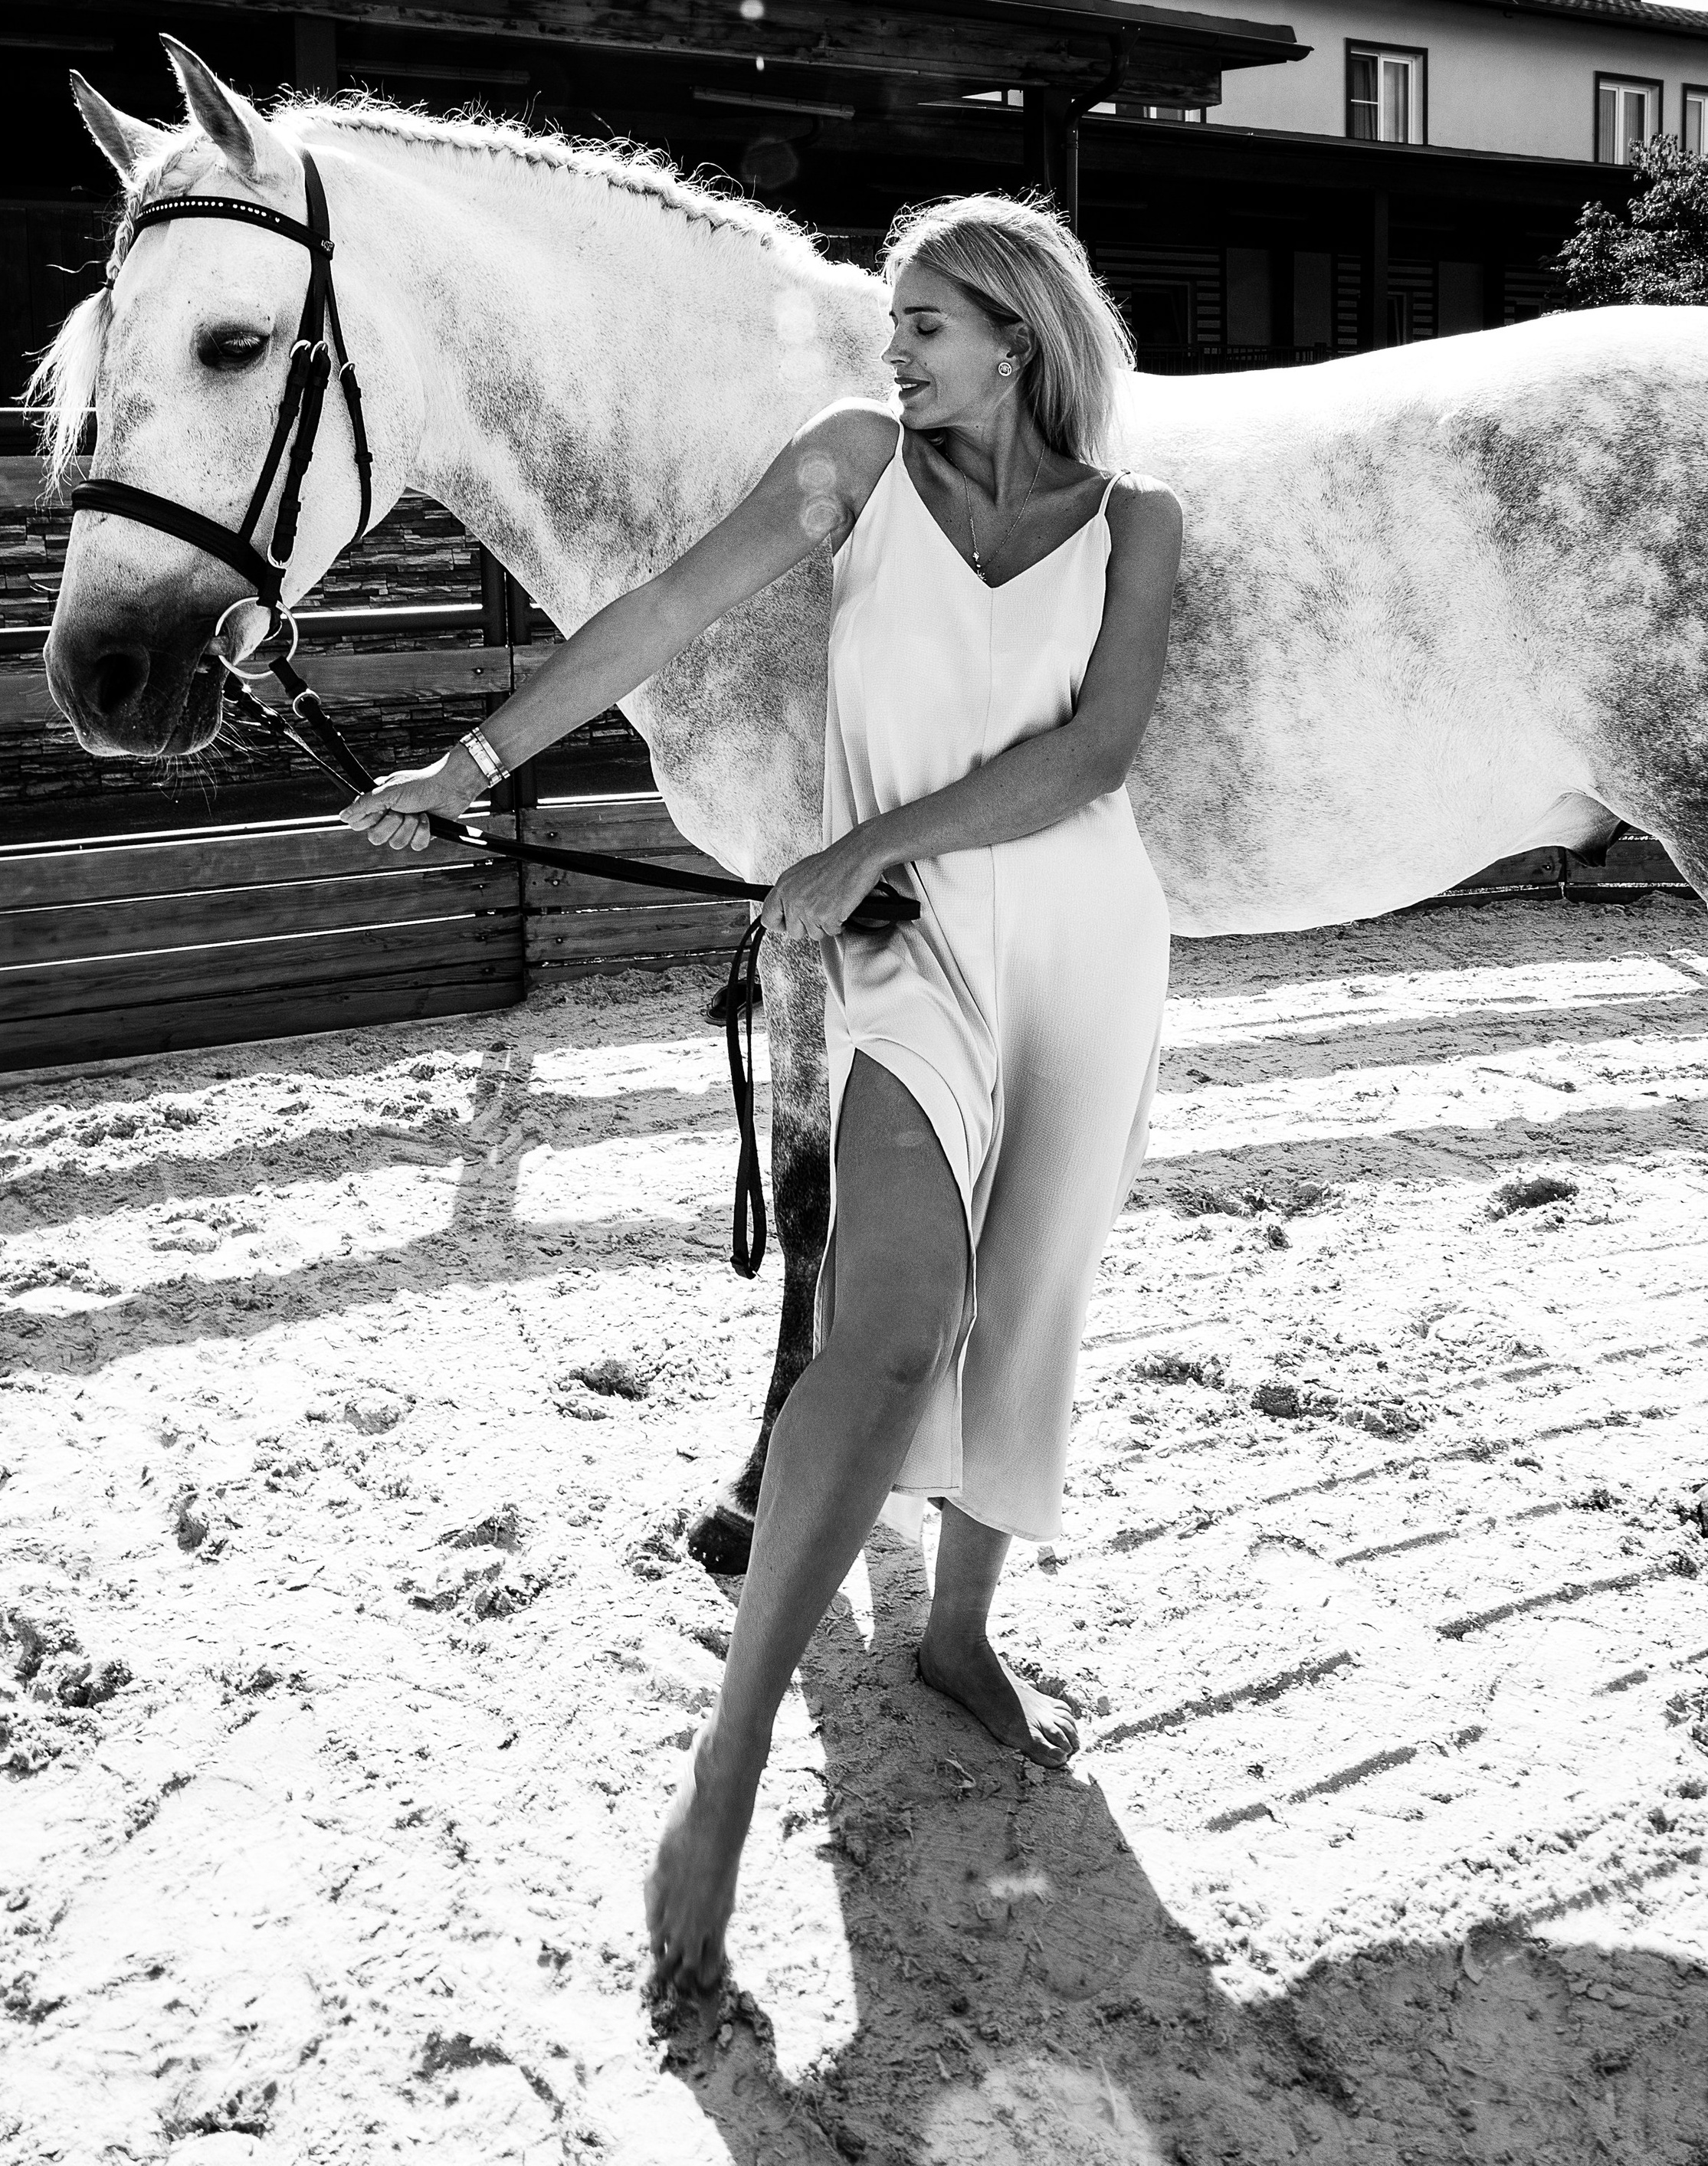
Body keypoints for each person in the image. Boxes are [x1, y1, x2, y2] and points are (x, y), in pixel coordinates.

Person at [341, 195, 1181, 1995]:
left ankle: (956, 1634)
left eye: (928, 325)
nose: (895, 350)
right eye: (892, 324)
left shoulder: (1138, 525)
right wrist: (472, 759)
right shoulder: (850, 470)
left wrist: (856, 837)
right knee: (884, 1329)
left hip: (1085, 940)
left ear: (1019, 335)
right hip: (903, 953)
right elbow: (656, 610)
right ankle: (723, 1769)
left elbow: (1090, 756)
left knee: (1026, 1310)